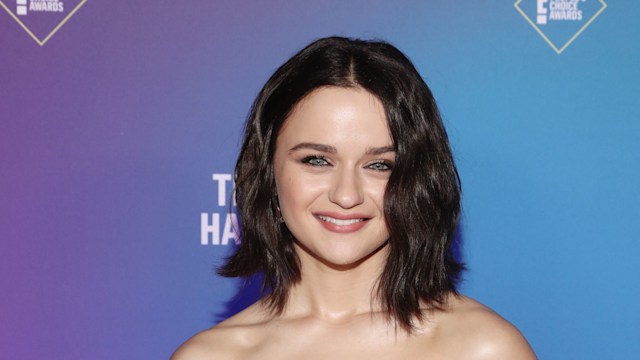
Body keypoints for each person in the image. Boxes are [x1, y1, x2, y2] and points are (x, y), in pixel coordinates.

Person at [172, 36, 536, 359]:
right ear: (268, 171)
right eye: (317, 160)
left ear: (416, 178)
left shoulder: (482, 349)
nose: (346, 195)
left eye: (378, 165)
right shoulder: (210, 355)